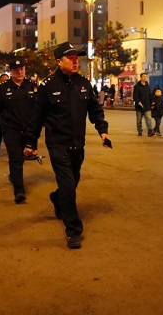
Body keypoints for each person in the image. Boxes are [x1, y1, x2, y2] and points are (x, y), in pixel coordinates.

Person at [23, 42, 110, 249]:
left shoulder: (84, 83)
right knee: (69, 187)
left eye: (76, 58)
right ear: (58, 61)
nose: (75, 61)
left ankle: (57, 198)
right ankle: (73, 230)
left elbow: (95, 110)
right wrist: (30, 142)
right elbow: (37, 117)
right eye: (70, 58)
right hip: (57, 145)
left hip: (78, 145)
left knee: (73, 181)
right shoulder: (47, 86)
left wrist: (102, 130)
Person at [0, 57, 37, 204]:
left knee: (22, 157)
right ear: (11, 71)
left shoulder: (32, 87)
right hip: (10, 129)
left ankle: (13, 176)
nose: (19, 72)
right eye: (16, 69)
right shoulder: (2, 89)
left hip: (28, 130)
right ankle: (19, 191)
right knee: (15, 158)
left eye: (22, 69)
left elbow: (38, 110)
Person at [133, 72, 153, 136]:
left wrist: (152, 103)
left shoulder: (148, 86)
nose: (145, 78)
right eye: (144, 76)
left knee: (148, 119)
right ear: (141, 77)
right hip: (139, 106)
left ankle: (150, 132)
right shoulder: (137, 86)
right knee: (139, 120)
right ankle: (140, 131)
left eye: (146, 77)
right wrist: (138, 101)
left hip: (147, 106)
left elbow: (150, 95)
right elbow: (135, 96)